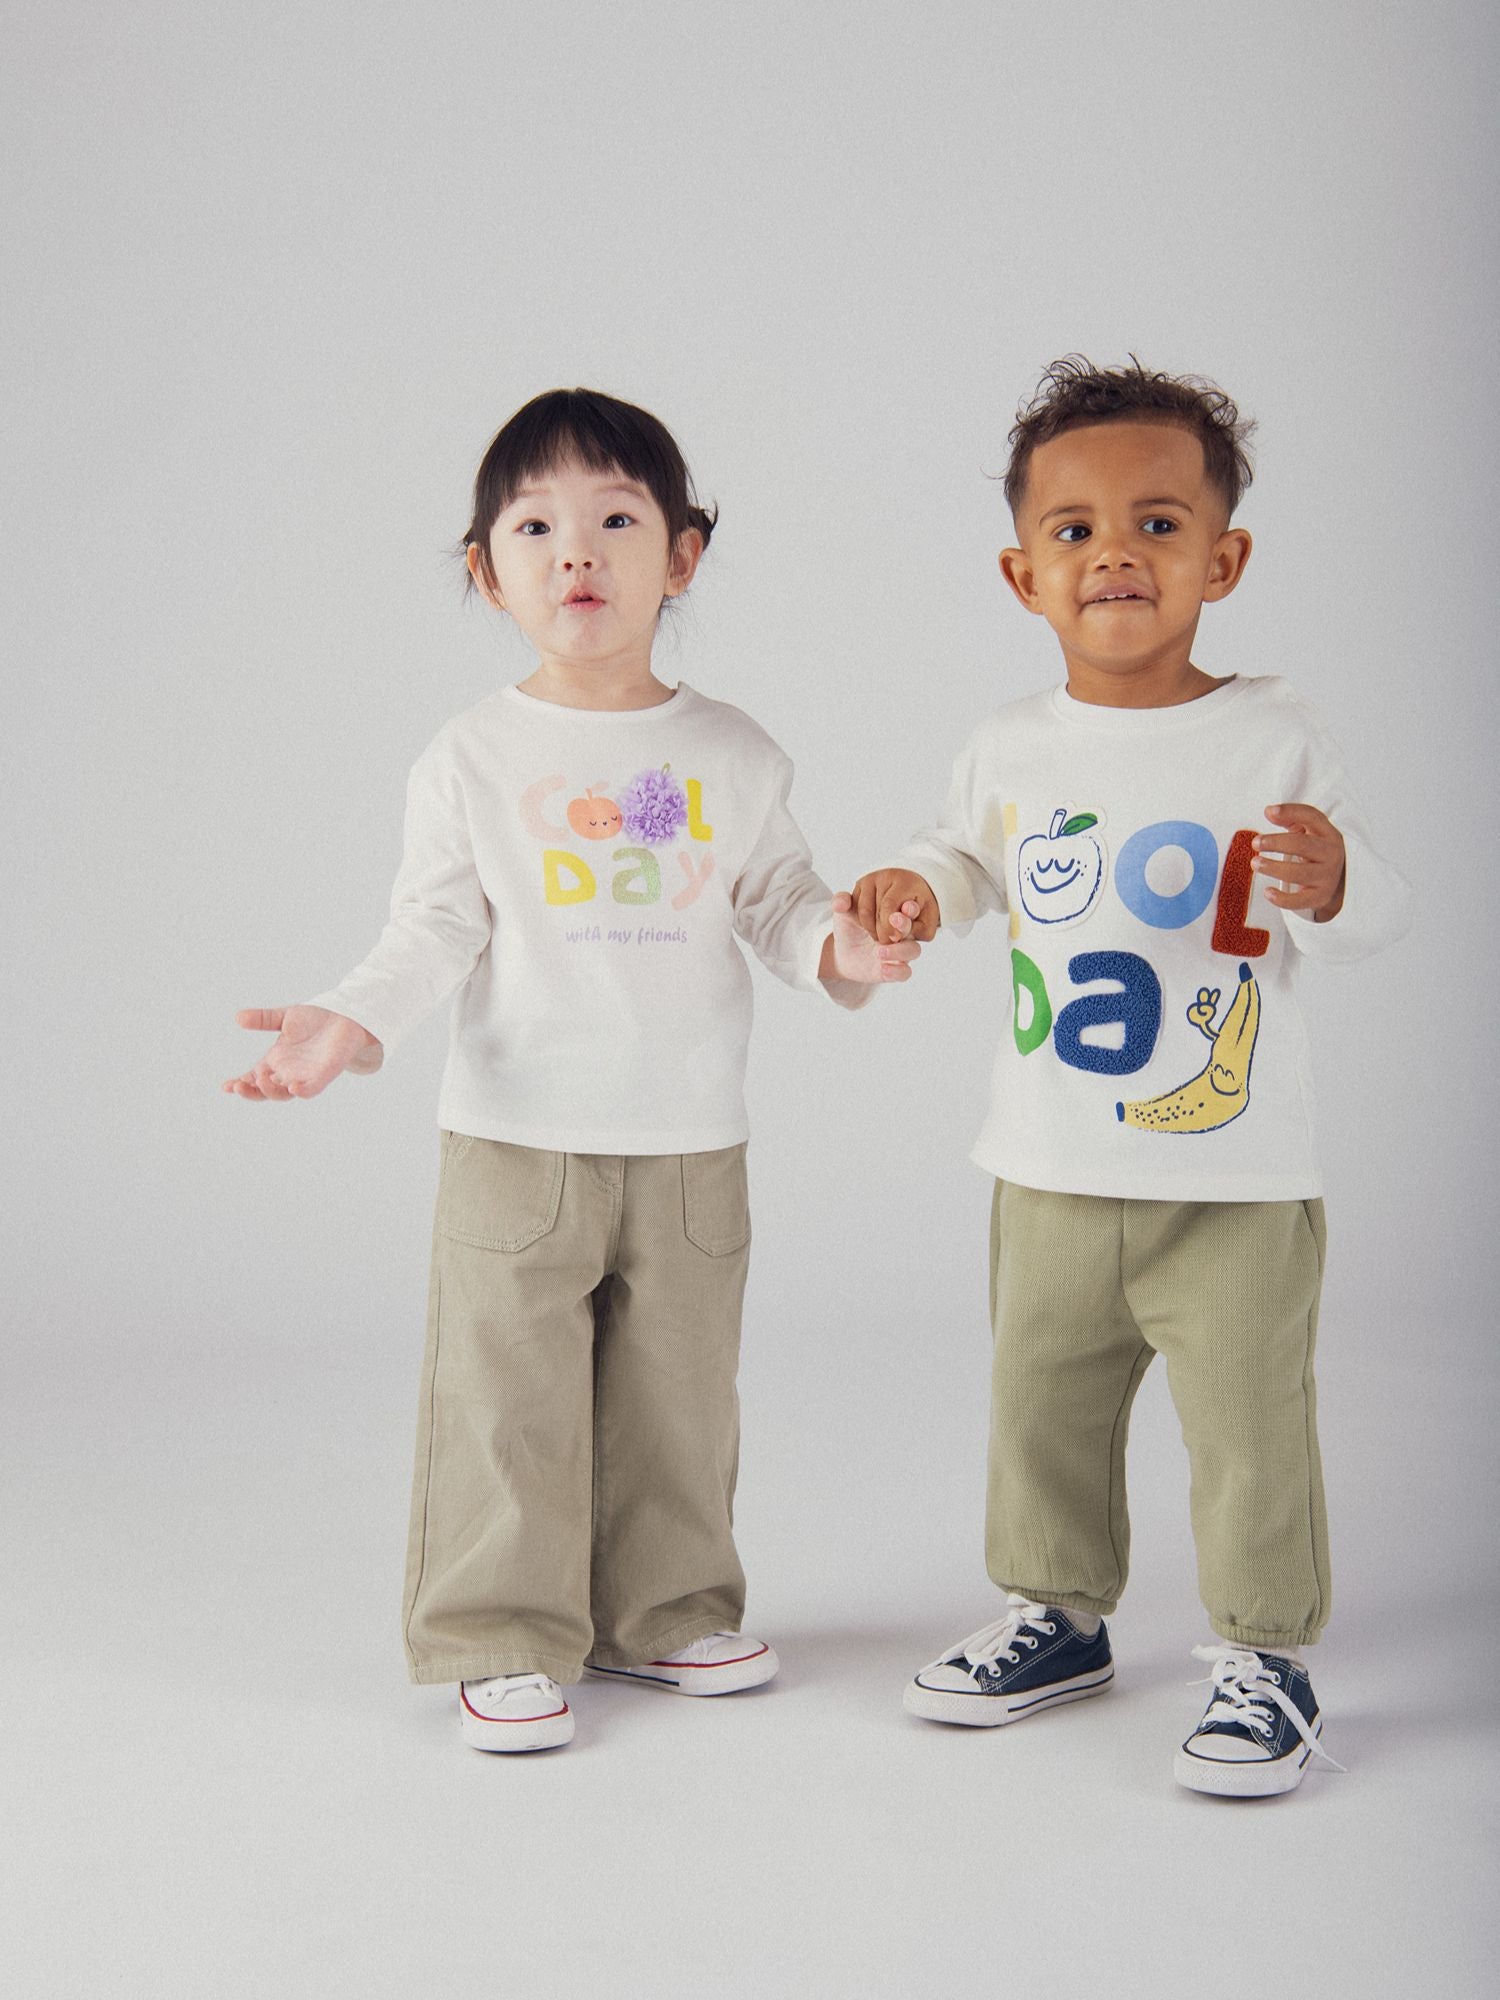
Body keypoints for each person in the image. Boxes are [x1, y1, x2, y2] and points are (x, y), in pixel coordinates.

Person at [223, 388, 921, 1754]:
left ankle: (665, 1614)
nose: (578, 553)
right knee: (505, 1399)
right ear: (488, 573)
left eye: (617, 518)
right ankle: (499, 1631)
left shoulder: (734, 753)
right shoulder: (472, 758)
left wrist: (847, 947)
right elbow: (432, 925)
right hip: (515, 1140)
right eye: (536, 527)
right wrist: (351, 1023)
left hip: (688, 1143)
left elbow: (784, 907)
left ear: (686, 554)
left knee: (679, 1396)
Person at [848, 357, 1410, 1797]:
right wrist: (914, 890)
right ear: (1023, 572)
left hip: (1229, 1180)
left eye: (1159, 526)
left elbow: (1376, 915)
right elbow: (961, 858)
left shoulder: (1271, 731)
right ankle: (1059, 1612)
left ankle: (1266, 1655)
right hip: (1046, 1163)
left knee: (1247, 1427)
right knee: (1042, 1407)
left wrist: (1341, 885)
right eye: (1077, 531)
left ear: (1222, 559)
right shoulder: (1010, 746)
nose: (1116, 555)